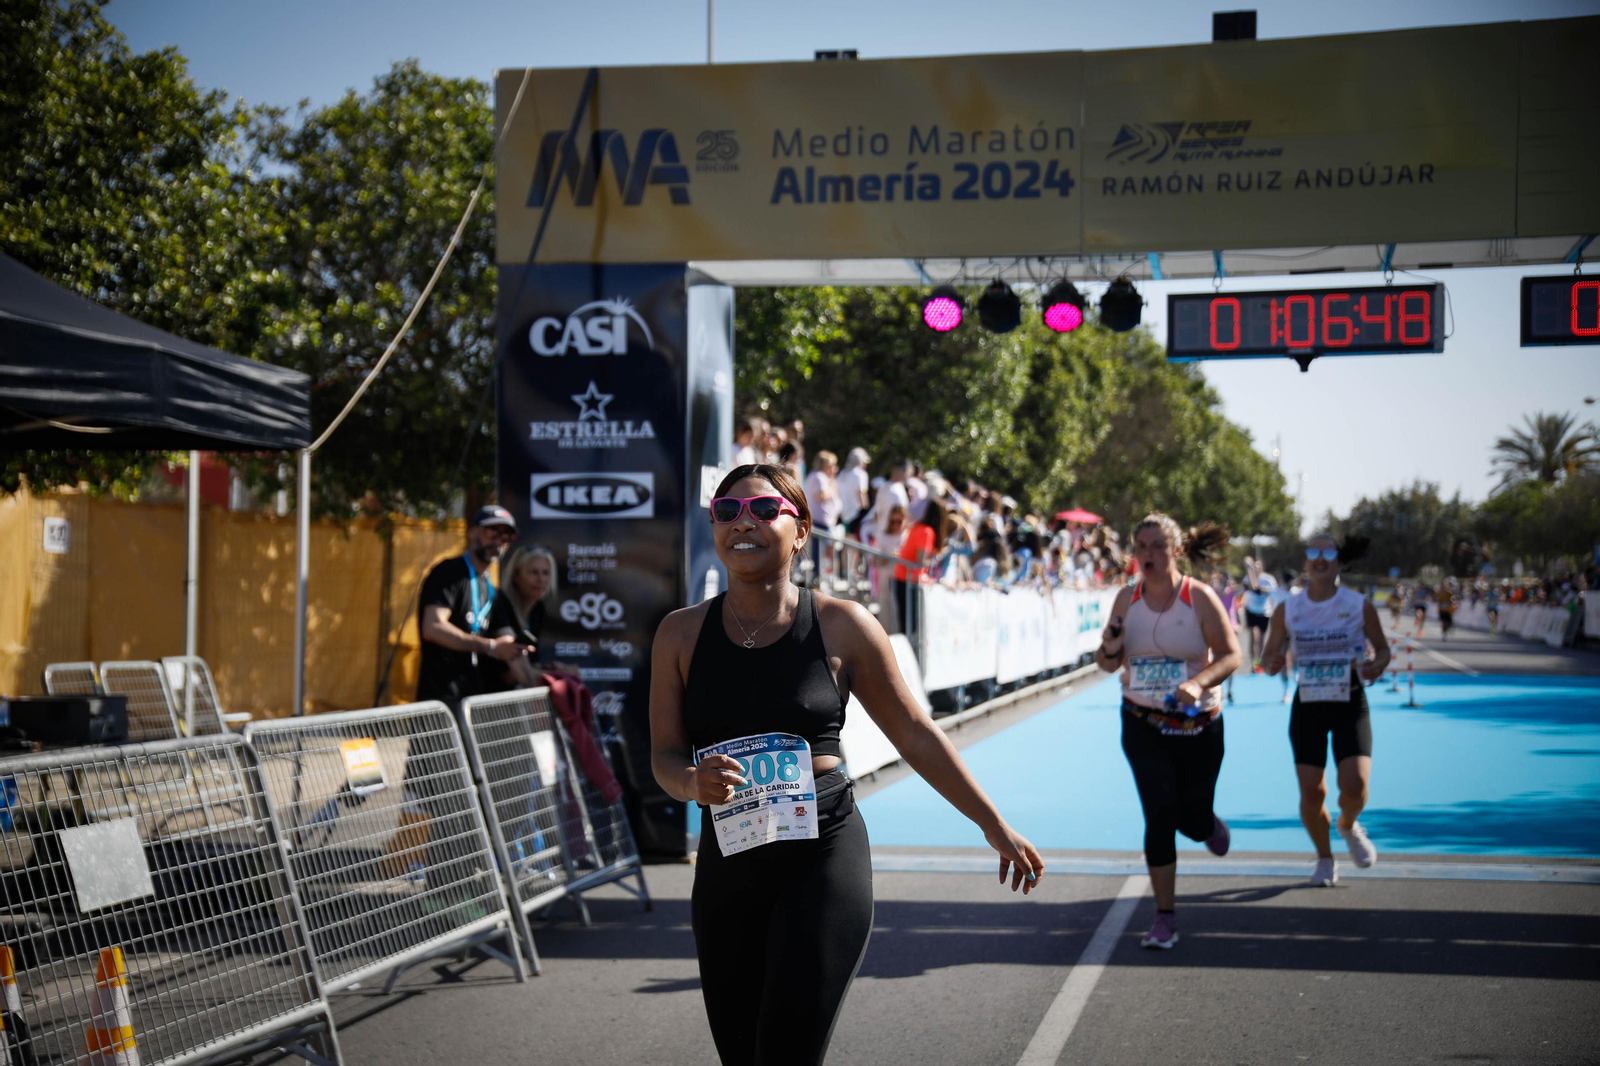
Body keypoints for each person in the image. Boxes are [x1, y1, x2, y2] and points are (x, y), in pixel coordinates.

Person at [649, 464, 1043, 1066]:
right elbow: (664, 753)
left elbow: (915, 732)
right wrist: (687, 781)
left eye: (762, 511)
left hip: (821, 855)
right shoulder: (679, 634)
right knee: (741, 1054)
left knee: (784, 1052)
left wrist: (991, 823)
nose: (742, 524)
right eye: (726, 512)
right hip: (728, 858)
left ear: (801, 529)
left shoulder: (844, 625)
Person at [1093, 513, 1241, 951]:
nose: (1149, 555)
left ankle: (1206, 825)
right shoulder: (1125, 598)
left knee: (1191, 819)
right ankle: (1164, 917)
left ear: (1176, 551)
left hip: (1198, 726)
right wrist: (1111, 640)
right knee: (1158, 814)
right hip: (1143, 723)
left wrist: (1197, 683)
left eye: (1158, 546)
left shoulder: (1199, 597)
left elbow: (1232, 656)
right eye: (1142, 547)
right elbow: (1106, 663)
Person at [1260, 534, 1389, 887]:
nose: (1319, 558)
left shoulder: (1359, 604)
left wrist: (1376, 666)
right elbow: (1267, 659)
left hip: (1349, 700)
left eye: (1327, 552)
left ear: (1338, 561)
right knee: (1312, 793)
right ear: (1305, 562)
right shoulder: (1288, 608)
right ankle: (1324, 858)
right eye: (1312, 552)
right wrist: (1272, 662)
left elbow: (1382, 650)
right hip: (1309, 705)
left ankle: (1347, 824)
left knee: (1355, 785)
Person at [416, 504, 528, 708]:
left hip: (473, 701)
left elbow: (508, 643)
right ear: (472, 532)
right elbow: (432, 628)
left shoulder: (493, 591)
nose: (498, 540)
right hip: (439, 702)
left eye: (506, 537)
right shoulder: (450, 572)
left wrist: (542, 673)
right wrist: (491, 647)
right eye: (492, 531)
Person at [487, 543, 558, 689]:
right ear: (516, 577)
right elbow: (511, 674)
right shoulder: (501, 604)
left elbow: (531, 664)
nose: (541, 580)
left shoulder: (538, 610)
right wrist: (558, 676)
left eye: (546, 573)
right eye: (533, 573)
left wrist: (553, 669)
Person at [894, 498, 947, 635]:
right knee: (910, 625)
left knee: (906, 622)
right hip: (909, 580)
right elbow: (920, 561)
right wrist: (938, 558)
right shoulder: (926, 532)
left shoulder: (918, 527)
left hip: (903, 578)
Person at [1242, 565, 1276, 673]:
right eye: (1253, 567)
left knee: (1261, 639)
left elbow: (1271, 594)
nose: (1256, 569)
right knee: (1252, 638)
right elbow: (1248, 590)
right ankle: (1252, 663)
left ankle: (1259, 663)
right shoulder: (1247, 578)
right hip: (1251, 611)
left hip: (1264, 612)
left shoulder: (1268, 579)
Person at [837, 448, 872, 539]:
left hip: (842, 513)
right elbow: (862, 496)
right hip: (856, 515)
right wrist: (866, 511)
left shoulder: (842, 473)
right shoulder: (860, 474)